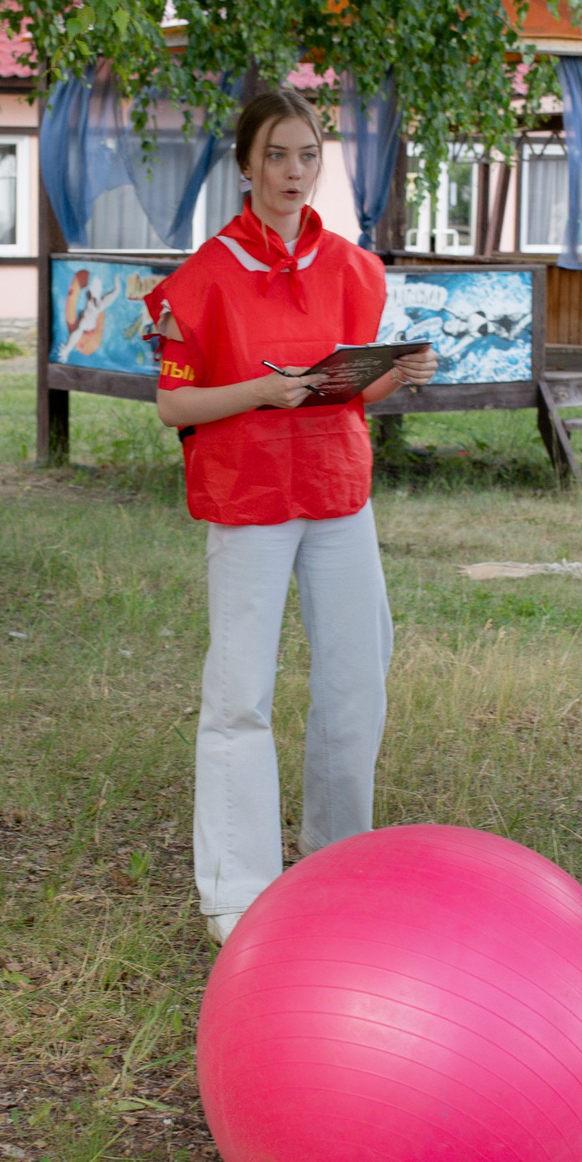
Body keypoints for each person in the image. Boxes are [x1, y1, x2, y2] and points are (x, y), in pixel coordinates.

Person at [152, 88, 441, 945]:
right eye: (276, 154)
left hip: (337, 491)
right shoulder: (202, 277)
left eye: (308, 154)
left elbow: (350, 390)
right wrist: (265, 391)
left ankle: (337, 859)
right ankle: (237, 893)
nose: (292, 171)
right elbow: (174, 407)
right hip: (248, 499)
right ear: (245, 164)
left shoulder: (355, 270)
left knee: (357, 678)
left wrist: (400, 374)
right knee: (239, 692)